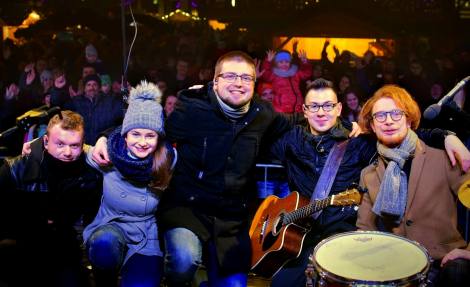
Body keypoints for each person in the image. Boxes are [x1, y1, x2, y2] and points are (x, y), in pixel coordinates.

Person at [91, 51, 330, 287]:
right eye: (230, 76)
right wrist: (105, 137)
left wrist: (349, 125)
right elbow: (151, 129)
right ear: (215, 82)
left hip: (231, 220)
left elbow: (295, 120)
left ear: (255, 83)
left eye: (246, 78)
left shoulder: (262, 114)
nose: (238, 83)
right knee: (183, 262)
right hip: (187, 210)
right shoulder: (192, 109)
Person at [266, 79, 470, 287]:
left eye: (328, 106)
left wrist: (445, 135)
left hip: (346, 236)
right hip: (302, 236)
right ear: (304, 110)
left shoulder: (360, 144)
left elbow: (404, 136)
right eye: (314, 106)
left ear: (339, 109)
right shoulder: (292, 141)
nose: (321, 112)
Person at [356, 85, 470, 287]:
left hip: (443, 265)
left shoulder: (445, 157)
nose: (389, 121)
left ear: (408, 120)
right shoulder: (368, 175)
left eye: (396, 114)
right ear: (373, 126)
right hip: (397, 269)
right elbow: (365, 230)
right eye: (380, 116)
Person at [83, 81, 176, 287]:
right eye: (135, 134)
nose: (142, 142)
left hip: (145, 236)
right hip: (111, 225)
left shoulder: (167, 160)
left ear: (158, 138)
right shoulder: (109, 155)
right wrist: (36, 147)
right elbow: (74, 149)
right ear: (124, 135)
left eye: (150, 135)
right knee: (104, 244)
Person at [0, 110, 103, 287]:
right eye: (60, 144)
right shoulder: (13, 170)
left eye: (74, 145)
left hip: (62, 248)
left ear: (83, 145)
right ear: (46, 142)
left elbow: (93, 223)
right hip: (20, 246)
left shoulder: (90, 176)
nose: (68, 152)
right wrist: (33, 222)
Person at [51, 74, 123, 145]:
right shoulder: (76, 102)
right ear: (84, 89)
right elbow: (57, 112)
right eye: (88, 85)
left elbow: (126, 112)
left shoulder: (110, 103)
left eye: (95, 84)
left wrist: (128, 94)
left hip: (103, 148)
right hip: (81, 149)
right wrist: (57, 89)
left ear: (99, 88)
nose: (91, 87)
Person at [258, 49, 312, 114]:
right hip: (281, 111)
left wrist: (305, 62)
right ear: (276, 63)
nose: (284, 64)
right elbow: (265, 74)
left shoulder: (295, 73)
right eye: (281, 62)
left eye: (287, 62)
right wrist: (268, 61)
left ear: (290, 62)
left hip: (297, 109)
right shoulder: (274, 75)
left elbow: (307, 73)